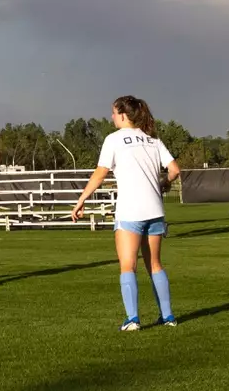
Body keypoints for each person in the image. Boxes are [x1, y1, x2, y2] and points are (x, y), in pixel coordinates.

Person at [71, 95, 181, 331]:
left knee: (128, 265)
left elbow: (100, 173)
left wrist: (81, 199)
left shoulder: (114, 140)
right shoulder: (153, 140)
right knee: (155, 265)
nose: (111, 117)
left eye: (113, 112)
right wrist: (163, 184)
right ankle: (168, 316)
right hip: (155, 211)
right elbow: (174, 170)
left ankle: (132, 319)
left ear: (122, 114)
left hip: (130, 211)